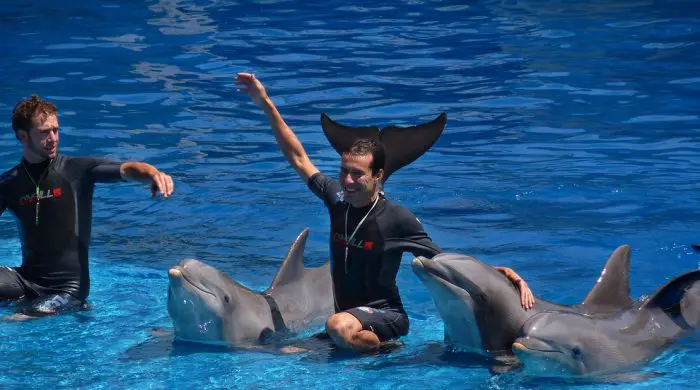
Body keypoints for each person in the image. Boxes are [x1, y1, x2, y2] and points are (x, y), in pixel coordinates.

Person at [236, 73, 534, 352]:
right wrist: (266, 104)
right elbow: (298, 157)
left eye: (357, 174)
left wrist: (502, 275)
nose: (348, 181)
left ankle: (385, 348)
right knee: (284, 352)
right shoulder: (337, 199)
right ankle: (346, 338)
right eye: (344, 172)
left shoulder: (397, 219)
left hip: (386, 316)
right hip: (347, 317)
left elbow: (444, 263)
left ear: (378, 175)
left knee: (338, 326)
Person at [0, 95, 174, 319]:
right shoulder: (10, 183)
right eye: (44, 132)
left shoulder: (77, 170)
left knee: (19, 318)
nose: (53, 138)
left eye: (56, 130)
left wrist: (152, 173)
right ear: (22, 136)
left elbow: (127, 169)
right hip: (25, 280)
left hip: (68, 289)